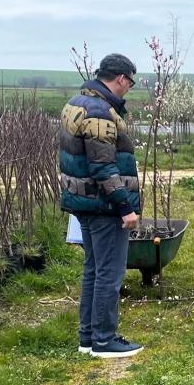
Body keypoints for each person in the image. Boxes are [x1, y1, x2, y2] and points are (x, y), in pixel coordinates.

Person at [59, 53, 143, 358]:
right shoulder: (99, 113)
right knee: (109, 272)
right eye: (130, 83)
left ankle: (88, 337)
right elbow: (103, 167)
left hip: (84, 201)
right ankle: (105, 340)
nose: (129, 88)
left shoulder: (77, 102)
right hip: (103, 205)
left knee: (93, 269)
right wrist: (125, 207)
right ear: (121, 78)